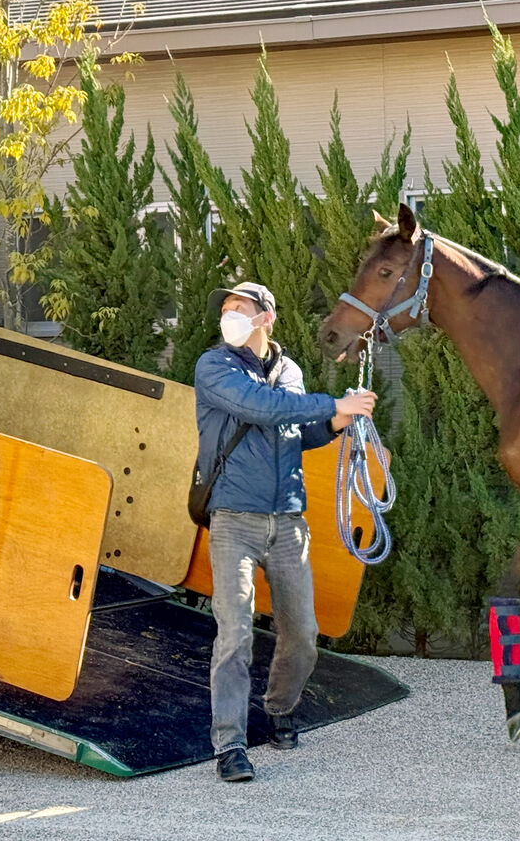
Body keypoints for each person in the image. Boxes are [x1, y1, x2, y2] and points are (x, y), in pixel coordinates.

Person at [194, 281, 376, 783]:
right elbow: (263, 408)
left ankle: (279, 708)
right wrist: (330, 401)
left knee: (303, 636)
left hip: (289, 522)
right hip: (234, 520)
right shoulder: (215, 367)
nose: (228, 315)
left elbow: (298, 432)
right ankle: (229, 745)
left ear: (265, 317)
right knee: (234, 635)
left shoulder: (289, 371)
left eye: (240, 308)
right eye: (225, 308)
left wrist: (339, 420)